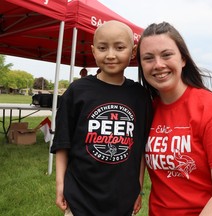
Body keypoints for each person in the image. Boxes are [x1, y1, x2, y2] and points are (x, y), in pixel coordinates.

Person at [137, 22, 212, 216]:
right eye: (148, 58)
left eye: (166, 55)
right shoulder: (147, 111)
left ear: (183, 59)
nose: (158, 64)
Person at [51, 20, 152, 216]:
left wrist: (138, 189)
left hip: (122, 201)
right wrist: (60, 185)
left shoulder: (140, 96)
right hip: (79, 197)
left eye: (120, 47)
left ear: (133, 52)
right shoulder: (77, 91)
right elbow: (63, 143)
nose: (111, 55)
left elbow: (140, 150)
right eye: (103, 48)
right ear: (93, 51)